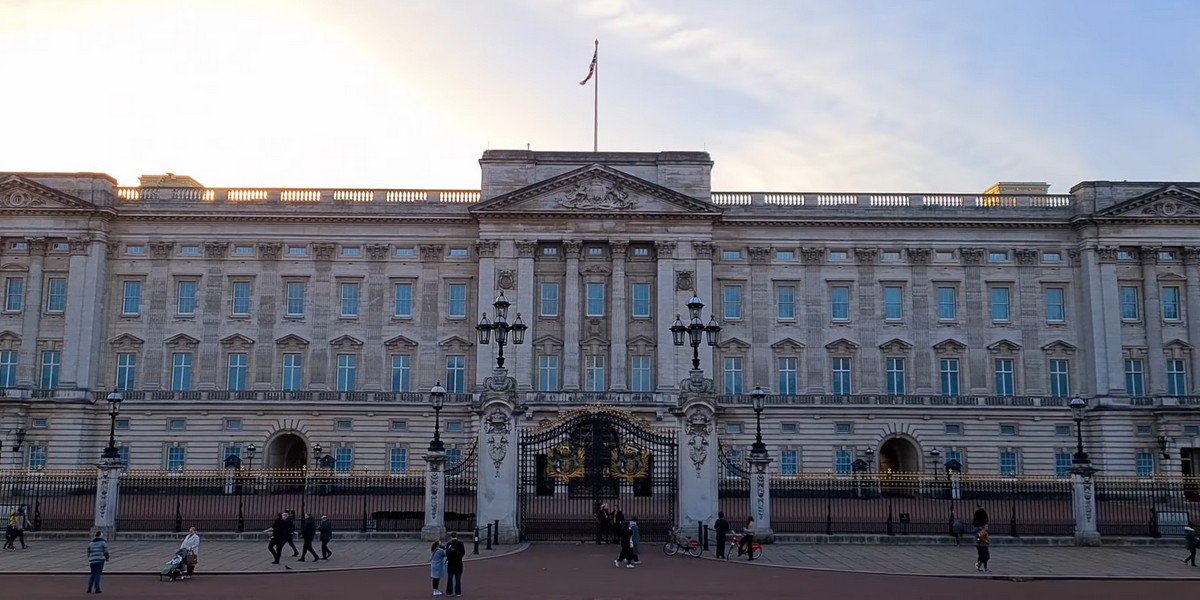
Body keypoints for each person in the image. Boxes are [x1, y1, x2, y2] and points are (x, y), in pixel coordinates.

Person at [445, 531, 465, 596]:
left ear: (451, 536)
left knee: (450, 579)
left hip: (451, 564)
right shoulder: (460, 543)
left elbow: (447, 554)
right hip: (458, 563)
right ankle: (458, 592)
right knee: (458, 579)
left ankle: (449, 592)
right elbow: (463, 553)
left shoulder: (448, 544)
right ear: (456, 536)